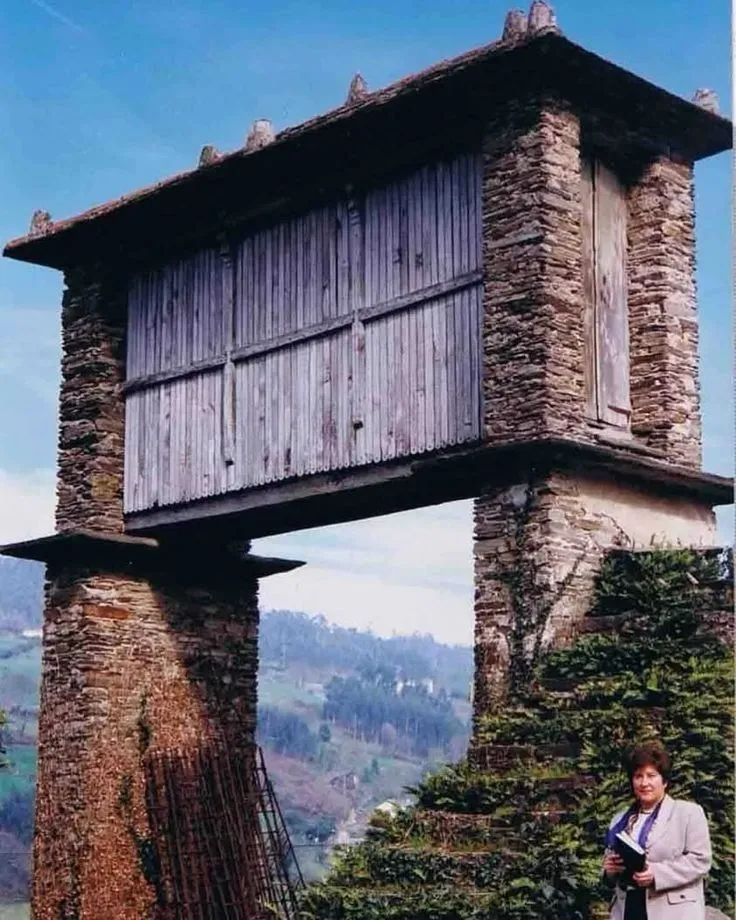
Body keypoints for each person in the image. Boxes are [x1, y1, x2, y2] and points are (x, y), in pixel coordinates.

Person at [602, 741, 712, 920]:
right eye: (638, 776)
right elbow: (609, 869)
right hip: (628, 909)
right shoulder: (619, 820)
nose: (644, 783)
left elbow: (700, 861)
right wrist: (610, 870)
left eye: (651, 775)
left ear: (665, 781)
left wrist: (657, 874)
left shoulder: (689, 813)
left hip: (672, 911)